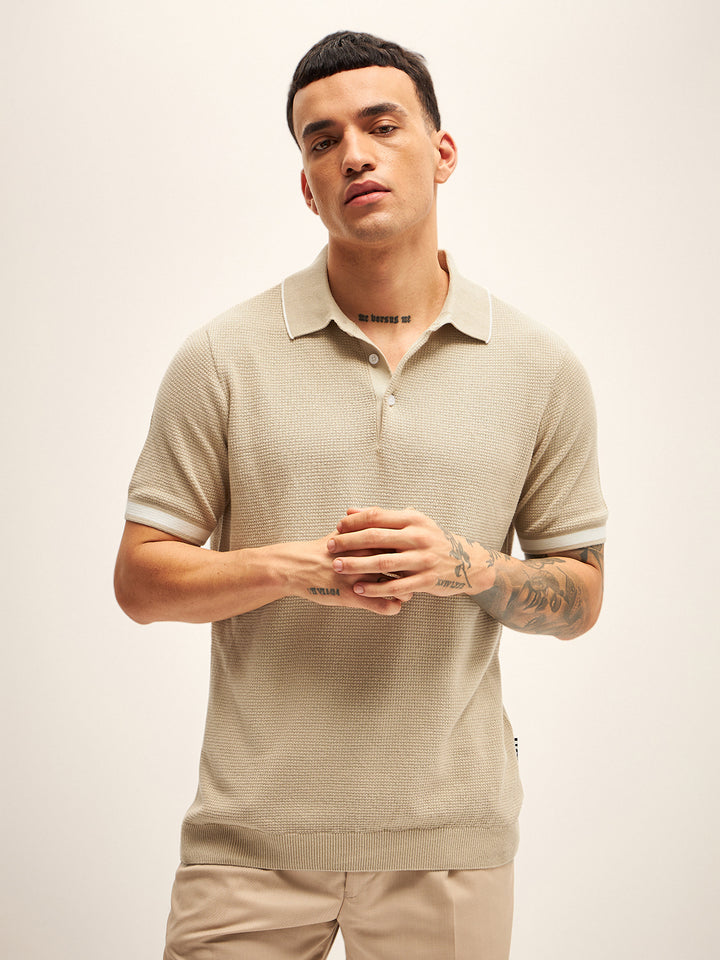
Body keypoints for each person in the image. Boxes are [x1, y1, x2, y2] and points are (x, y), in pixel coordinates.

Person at [115, 29, 607, 960]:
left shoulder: (542, 369)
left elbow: (580, 598)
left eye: (382, 125)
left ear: (443, 151)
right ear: (307, 185)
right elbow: (140, 581)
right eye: (323, 139)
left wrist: (466, 567)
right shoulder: (220, 358)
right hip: (248, 845)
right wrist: (289, 568)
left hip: (449, 847)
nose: (354, 154)